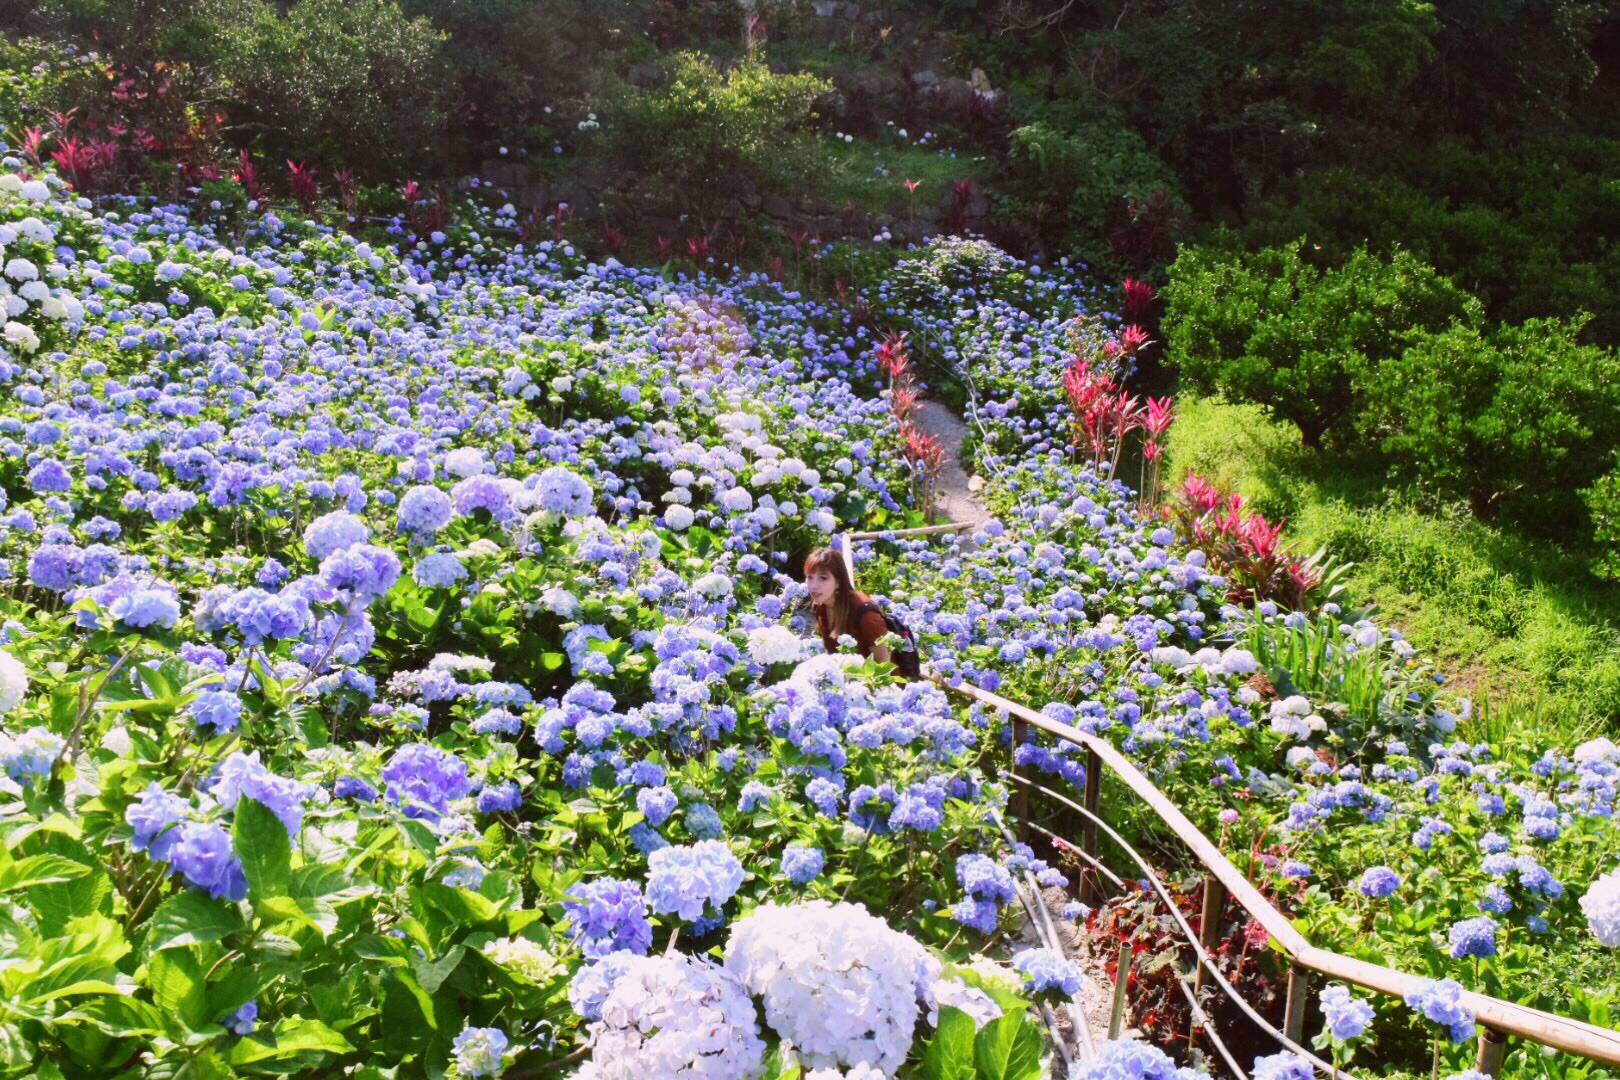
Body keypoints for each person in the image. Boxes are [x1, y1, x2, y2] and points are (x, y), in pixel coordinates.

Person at [804, 546, 891, 666]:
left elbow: (884, 668)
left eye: (822, 578)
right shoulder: (820, 606)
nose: (813, 586)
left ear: (838, 582)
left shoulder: (866, 615)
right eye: (809, 577)